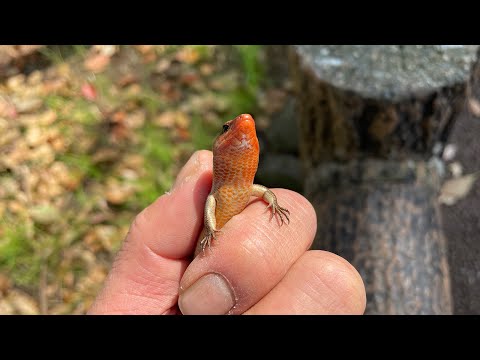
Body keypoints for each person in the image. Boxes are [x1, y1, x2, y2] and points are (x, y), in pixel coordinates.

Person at [88, 151, 366, 314]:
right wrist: (209, 227)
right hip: (187, 269)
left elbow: (263, 191)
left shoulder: (246, 188)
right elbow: (210, 204)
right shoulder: (214, 187)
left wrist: (275, 203)